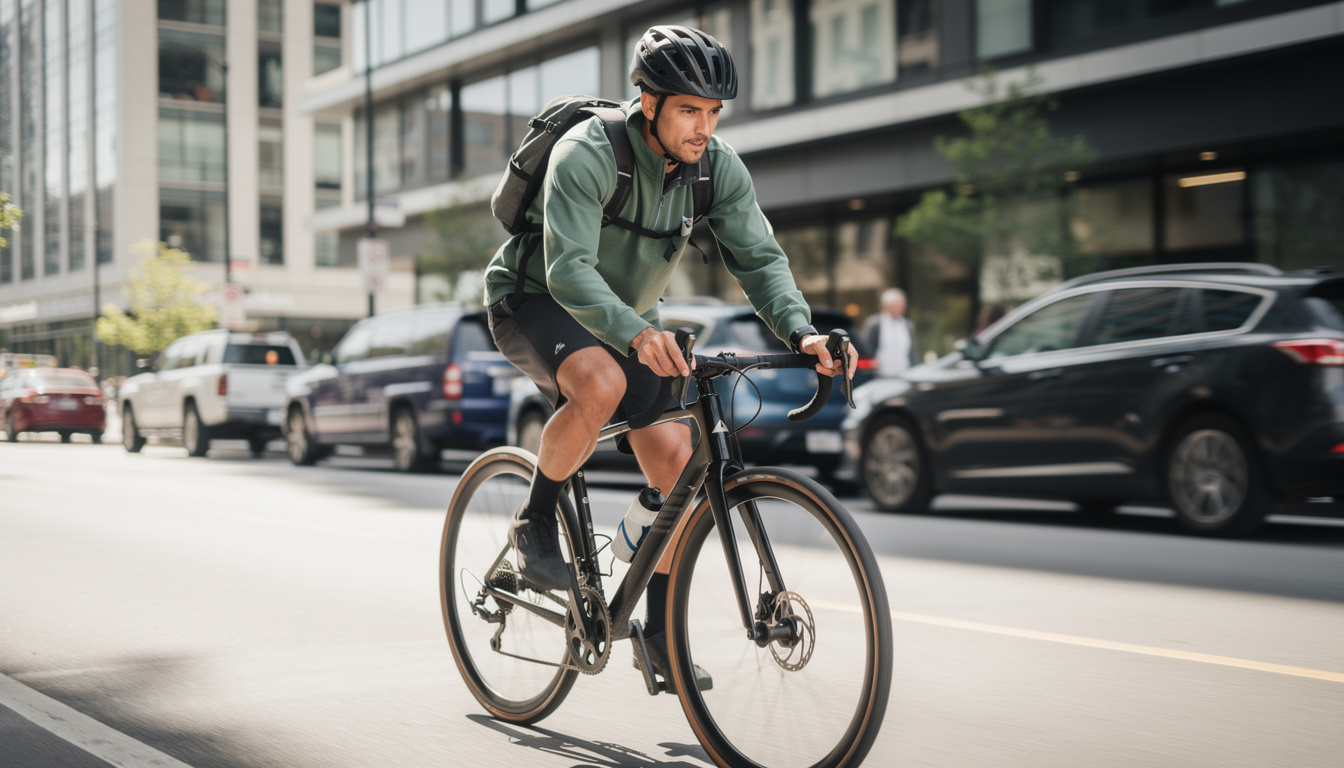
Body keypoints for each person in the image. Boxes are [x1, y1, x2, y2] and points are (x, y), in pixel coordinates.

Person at [482, 25, 853, 684]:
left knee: (680, 466)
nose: (703, 127)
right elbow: (568, 271)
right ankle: (535, 524)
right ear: (648, 102)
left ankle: (655, 629)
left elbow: (760, 260)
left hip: (630, 318)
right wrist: (637, 336)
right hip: (535, 298)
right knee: (598, 384)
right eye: (689, 109)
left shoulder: (716, 168)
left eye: (713, 113)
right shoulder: (588, 153)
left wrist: (803, 334)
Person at [859, 288, 918, 376]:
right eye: (897, 304)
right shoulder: (874, 324)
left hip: (905, 372)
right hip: (880, 374)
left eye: (902, 304)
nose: (901, 307)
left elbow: (912, 351)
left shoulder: (907, 325)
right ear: (886, 305)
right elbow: (865, 348)